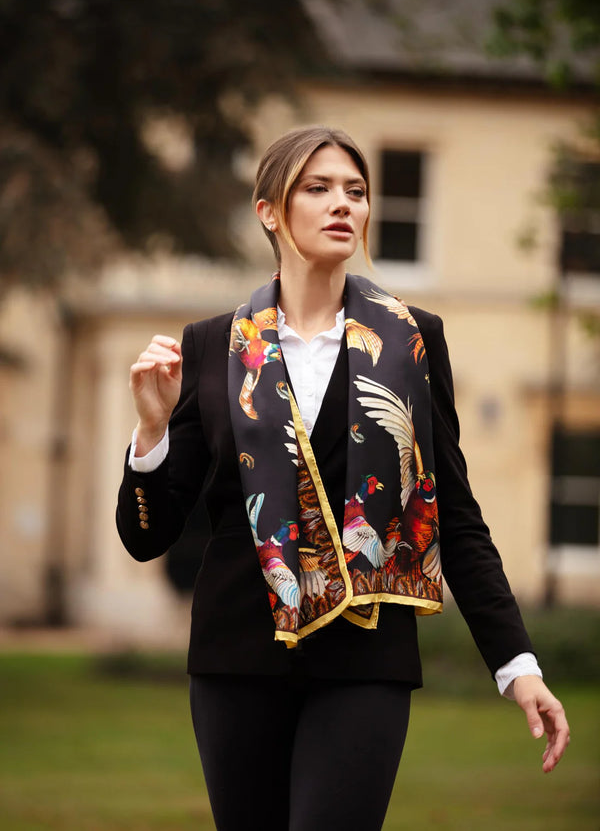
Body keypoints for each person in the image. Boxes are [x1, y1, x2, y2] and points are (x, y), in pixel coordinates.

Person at [116, 126, 569, 831]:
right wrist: (149, 432)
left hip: (368, 656)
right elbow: (150, 536)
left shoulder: (414, 338)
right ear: (270, 210)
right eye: (318, 188)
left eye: (356, 192)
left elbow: (454, 515)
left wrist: (517, 665)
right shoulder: (213, 345)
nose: (343, 205)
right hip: (238, 658)